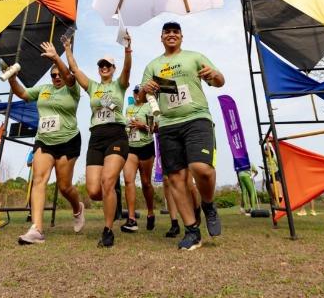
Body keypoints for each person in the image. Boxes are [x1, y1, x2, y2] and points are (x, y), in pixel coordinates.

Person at [141, 21, 225, 251]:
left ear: (181, 37)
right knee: (176, 178)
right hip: (168, 125)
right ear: (161, 37)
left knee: (202, 169)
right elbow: (141, 97)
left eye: (175, 32)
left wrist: (214, 74)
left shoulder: (194, 57)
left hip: (197, 119)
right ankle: (192, 231)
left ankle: (208, 205)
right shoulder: (153, 65)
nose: (171, 35)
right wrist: (145, 90)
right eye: (167, 32)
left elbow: (219, 81)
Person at [7, 41, 85, 245]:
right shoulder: (43, 90)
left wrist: (57, 59)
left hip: (68, 140)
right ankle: (37, 229)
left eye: (59, 73)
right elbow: (23, 94)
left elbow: (69, 76)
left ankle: (78, 208)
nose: (57, 76)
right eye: (53, 74)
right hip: (44, 140)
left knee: (64, 186)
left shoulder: (71, 88)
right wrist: (12, 79)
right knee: (39, 180)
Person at [64, 33, 132, 248]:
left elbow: (127, 70)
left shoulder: (119, 85)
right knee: (94, 191)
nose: (104, 67)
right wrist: (67, 49)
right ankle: (111, 196)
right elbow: (74, 70)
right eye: (101, 65)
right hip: (96, 138)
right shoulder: (92, 87)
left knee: (107, 182)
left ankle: (108, 230)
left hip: (116, 135)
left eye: (108, 65)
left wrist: (128, 50)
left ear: (112, 69)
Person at [121, 85, 156, 232]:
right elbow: (124, 124)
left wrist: (143, 126)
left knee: (146, 183)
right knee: (129, 180)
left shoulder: (150, 107)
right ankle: (131, 218)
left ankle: (150, 212)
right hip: (130, 147)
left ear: (144, 94)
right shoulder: (128, 108)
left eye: (139, 92)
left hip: (146, 146)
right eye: (135, 92)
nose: (137, 94)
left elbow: (155, 127)